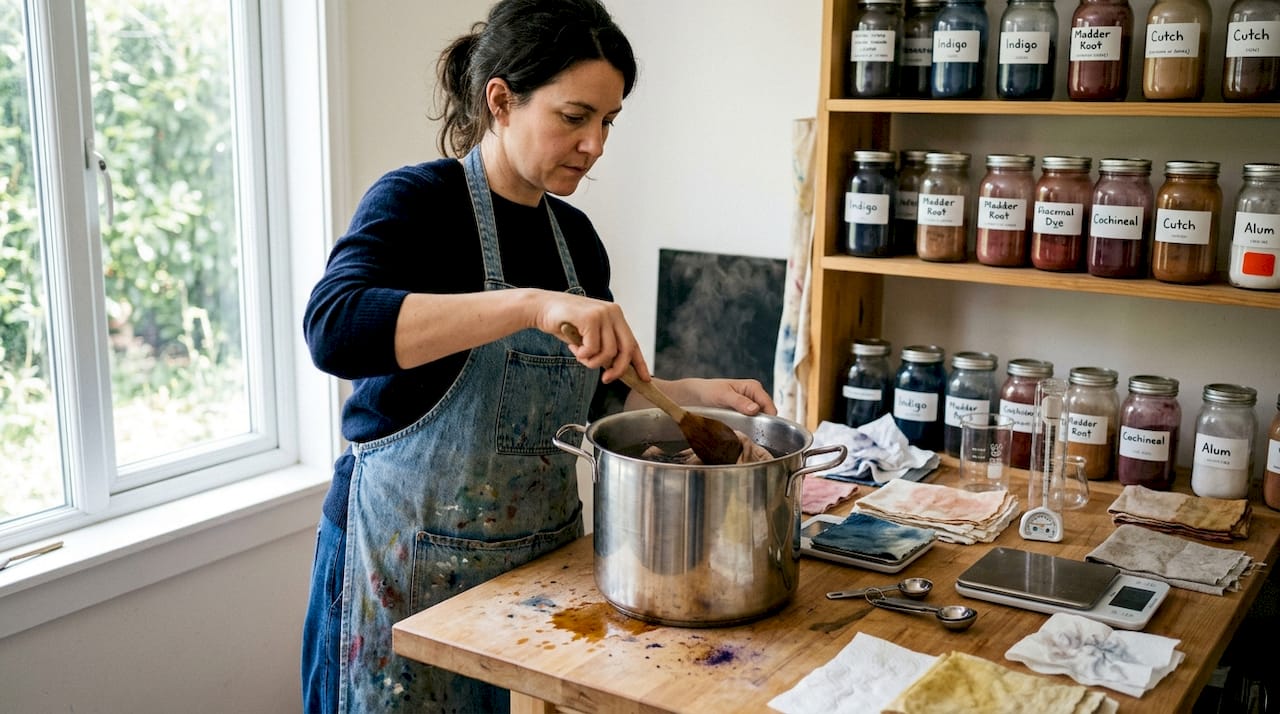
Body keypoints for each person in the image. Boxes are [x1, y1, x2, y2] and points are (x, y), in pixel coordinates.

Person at [299, 1, 776, 711]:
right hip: (403, 578)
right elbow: (333, 329)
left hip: (534, 583)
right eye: (575, 116)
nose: (595, 144)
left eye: (608, 121)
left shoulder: (576, 240)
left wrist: (686, 393)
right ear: (501, 101)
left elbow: (587, 395)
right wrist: (529, 305)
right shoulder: (416, 203)